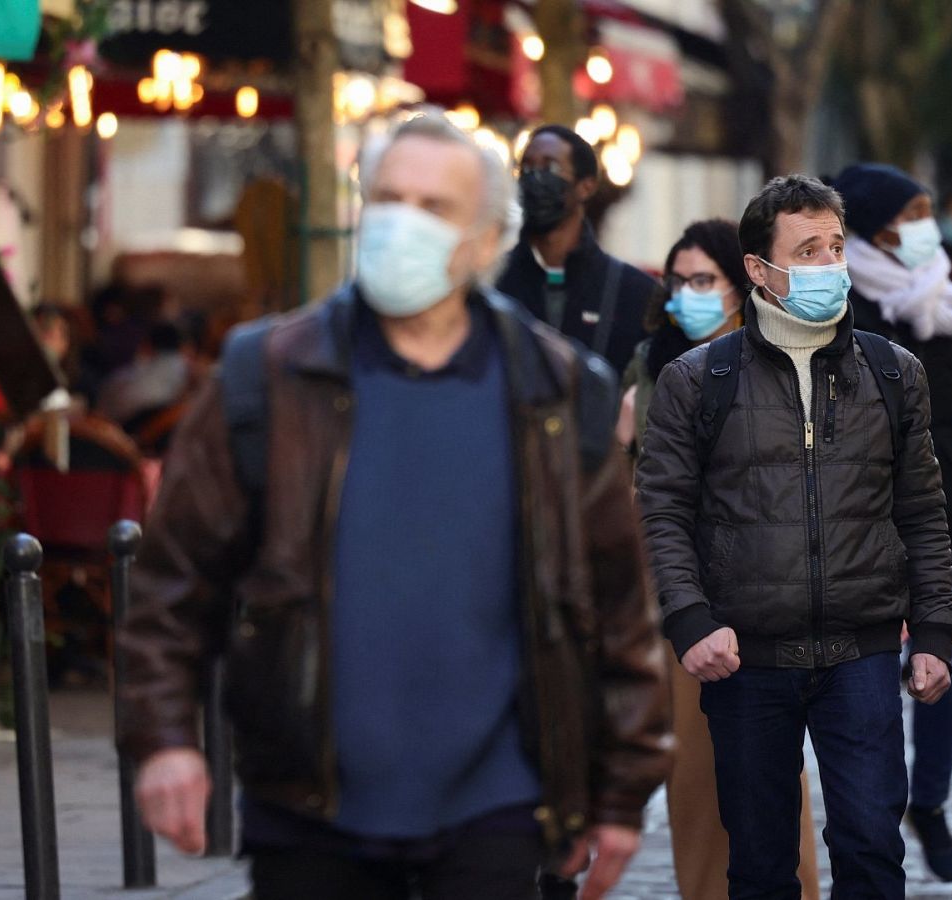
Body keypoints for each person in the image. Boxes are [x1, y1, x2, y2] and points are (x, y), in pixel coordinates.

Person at [116, 110, 670, 900]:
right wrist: (166, 738)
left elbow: (617, 603)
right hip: (308, 802)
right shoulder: (268, 374)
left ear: (485, 239)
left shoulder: (556, 391)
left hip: (495, 806)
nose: (401, 223)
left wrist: (620, 789)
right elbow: (172, 579)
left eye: (433, 207)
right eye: (386, 199)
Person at [636, 174, 952, 899]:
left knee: (873, 851)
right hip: (746, 657)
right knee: (759, 863)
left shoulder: (891, 370)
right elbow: (663, 511)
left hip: (861, 652)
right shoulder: (699, 379)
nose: (828, 264)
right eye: (807, 250)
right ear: (759, 269)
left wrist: (936, 630)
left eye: (835, 247)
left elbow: (921, 509)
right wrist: (689, 619)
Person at [617, 219, 824, 900]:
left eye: (704, 279)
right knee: (697, 775)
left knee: (773, 771)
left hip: (767, 590)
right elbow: (635, 493)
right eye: (679, 281)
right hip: (681, 595)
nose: (689, 294)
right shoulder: (649, 368)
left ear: (742, 283)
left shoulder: (779, 356)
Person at [835, 161, 952, 883]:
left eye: (928, 213)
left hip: (945, 510)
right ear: (877, 228)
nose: (925, 228)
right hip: (862, 515)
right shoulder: (843, 305)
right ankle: (879, 809)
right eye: (912, 214)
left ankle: (929, 800)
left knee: (943, 665)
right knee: (871, 673)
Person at [497, 124, 655, 375]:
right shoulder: (493, 283)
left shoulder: (634, 293)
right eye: (526, 168)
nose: (535, 178)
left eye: (550, 168)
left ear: (586, 186)